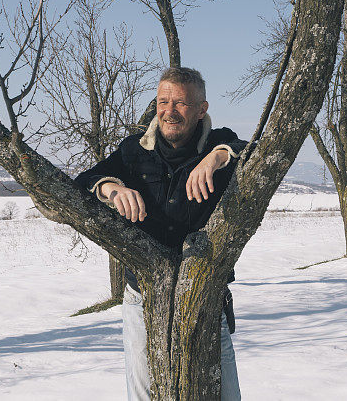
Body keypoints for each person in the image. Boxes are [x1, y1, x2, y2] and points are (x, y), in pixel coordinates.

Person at [75, 67, 245, 400]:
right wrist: (113, 189)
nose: (168, 111)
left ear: (201, 110)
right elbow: (84, 181)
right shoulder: (133, 151)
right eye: (162, 101)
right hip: (142, 294)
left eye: (180, 103)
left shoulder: (217, 142)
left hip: (205, 293)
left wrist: (215, 158)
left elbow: (249, 150)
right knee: (142, 392)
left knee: (226, 394)